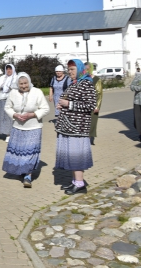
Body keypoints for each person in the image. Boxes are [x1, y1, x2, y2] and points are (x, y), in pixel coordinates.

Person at [55, 59, 96, 195]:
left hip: (78, 127)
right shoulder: (75, 83)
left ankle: (80, 184)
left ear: (79, 69)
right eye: (69, 69)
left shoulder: (87, 83)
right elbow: (70, 99)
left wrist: (68, 104)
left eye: (72, 69)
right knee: (71, 155)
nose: (70, 72)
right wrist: (61, 105)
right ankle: (75, 182)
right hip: (69, 126)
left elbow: (90, 106)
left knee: (76, 155)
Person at [2, 73, 50, 188]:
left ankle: (28, 176)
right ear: (17, 84)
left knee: (30, 152)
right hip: (18, 127)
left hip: (34, 127)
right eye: (21, 84)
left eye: (25, 83)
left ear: (29, 82)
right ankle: (21, 171)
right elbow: (7, 107)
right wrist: (14, 115)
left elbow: (45, 108)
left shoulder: (37, 92)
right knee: (19, 151)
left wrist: (32, 115)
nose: (24, 86)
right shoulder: (13, 93)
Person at [0, 64, 18, 142]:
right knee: (2, 117)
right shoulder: (2, 78)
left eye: (10, 69)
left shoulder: (16, 78)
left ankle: (9, 134)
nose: (8, 70)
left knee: (9, 117)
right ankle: (5, 132)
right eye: (7, 69)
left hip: (11, 100)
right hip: (1, 99)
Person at [131, 71, 141, 142]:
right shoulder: (138, 77)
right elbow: (131, 87)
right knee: (137, 119)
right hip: (138, 102)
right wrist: (139, 88)